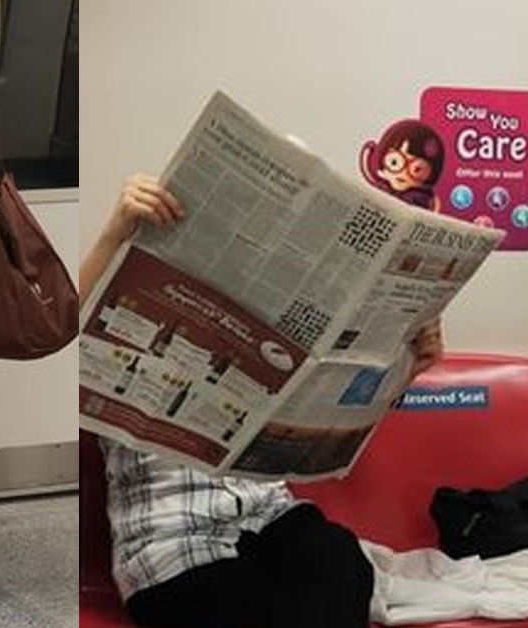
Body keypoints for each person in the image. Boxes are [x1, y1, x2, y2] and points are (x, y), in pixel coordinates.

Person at [79, 174, 444, 628]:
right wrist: (115, 233)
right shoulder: (127, 305)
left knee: (340, 561)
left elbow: (338, 417)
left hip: (268, 512)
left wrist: (408, 366)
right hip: (172, 538)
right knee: (248, 606)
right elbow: (61, 338)